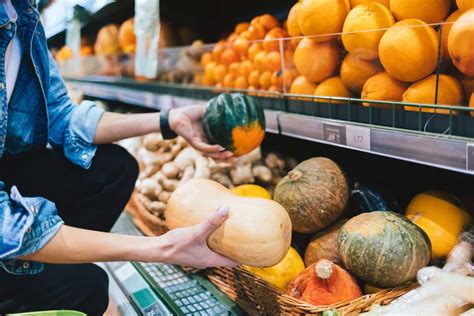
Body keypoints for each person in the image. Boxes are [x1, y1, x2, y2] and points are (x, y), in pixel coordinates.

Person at [0, 0, 237, 314]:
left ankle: (42, 264)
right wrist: (161, 248)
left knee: (114, 169)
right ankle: (22, 284)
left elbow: (62, 117)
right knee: (89, 287)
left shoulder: (22, 12)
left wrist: (168, 121)